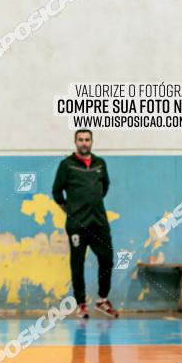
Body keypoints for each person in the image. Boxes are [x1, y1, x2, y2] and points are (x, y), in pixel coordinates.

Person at [52, 129, 119, 319]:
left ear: (92, 142)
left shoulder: (100, 164)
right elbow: (57, 193)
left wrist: (92, 205)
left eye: (87, 140)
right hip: (77, 226)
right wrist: (71, 211)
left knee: (107, 259)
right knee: (77, 264)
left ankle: (102, 300)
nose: (84, 143)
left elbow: (104, 188)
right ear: (75, 142)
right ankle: (81, 304)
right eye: (80, 140)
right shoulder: (67, 165)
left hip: (99, 222)